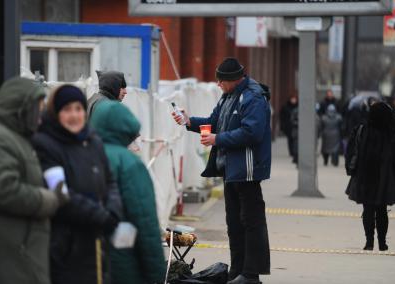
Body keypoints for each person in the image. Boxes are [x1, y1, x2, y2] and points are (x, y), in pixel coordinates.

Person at [172, 57, 271, 284]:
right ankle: (238, 271)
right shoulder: (229, 96)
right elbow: (212, 122)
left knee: (251, 222)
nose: (217, 84)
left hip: (247, 170)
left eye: (220, 81)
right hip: (230, 169)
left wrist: (218, 139)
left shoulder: (253, 97)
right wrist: (188, 121)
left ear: (233, 80)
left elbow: (252, 133)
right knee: (234, 224)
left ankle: (251, 274)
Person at [32, 85, 123, 284]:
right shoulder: (44, 144)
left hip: (98, 243)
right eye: (67, 110)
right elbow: (61, 194)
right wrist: (100, 215)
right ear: (55, 113)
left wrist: (114, 210)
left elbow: (110, 181)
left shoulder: (93, 141)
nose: (74, 115)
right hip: (66, 247)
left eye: (78, 108)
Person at [0, 77, 68, 284]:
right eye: (37, 109)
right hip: (7, 260)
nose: (40, 116)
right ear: (21, 107)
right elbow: (3, 190)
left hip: (19, 257)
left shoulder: (17, 139)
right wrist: (48, 199)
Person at [90, 100, 166, 284]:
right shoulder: (129, 163)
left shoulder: (84, 154)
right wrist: (157, 271)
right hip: (123, 257)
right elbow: (144, 220)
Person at [345, 102, 395, 251]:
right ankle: (382, 242)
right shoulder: (392, 133)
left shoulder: (361, 130)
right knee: (382, 210)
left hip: (364, 176)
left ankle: (369, 241)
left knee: (368, 209)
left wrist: (351, 169)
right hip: (385, 179)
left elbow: (350, 151)